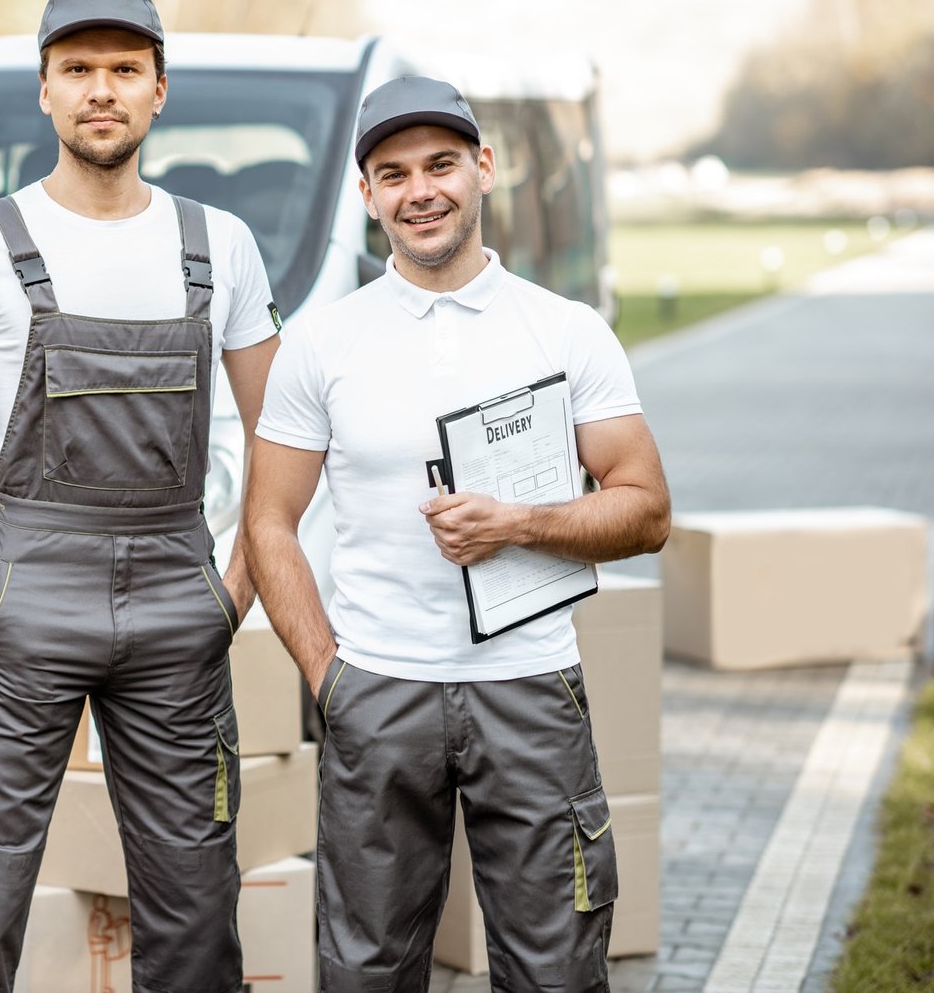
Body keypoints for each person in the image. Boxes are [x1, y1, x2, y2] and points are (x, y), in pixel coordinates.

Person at [0, 0, 281, 992]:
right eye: (78, 69)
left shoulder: (217, 246)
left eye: (124, 69)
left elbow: (287, 435)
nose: (102, 89)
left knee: (196, 920)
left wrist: (234, 589)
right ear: (44, 90)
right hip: (23, 603)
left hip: (177, 604)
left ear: (158, 90)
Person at [244, 75, 671, 992]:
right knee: (365, 971)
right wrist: (333, 676)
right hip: (380, 690)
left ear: (482, 169)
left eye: (441, 164)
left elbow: (646, 508)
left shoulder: (565, 331)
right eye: (392, 174)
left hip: (530, 689)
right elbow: (268, 522)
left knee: (556, 968)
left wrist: (522, 521)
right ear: (367, 196)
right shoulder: (323, 344)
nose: (420, 190)